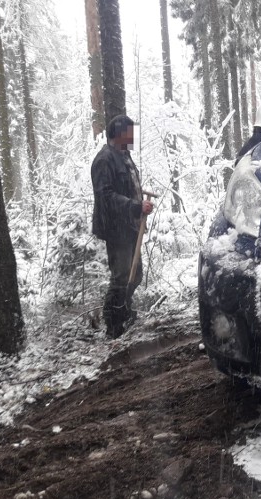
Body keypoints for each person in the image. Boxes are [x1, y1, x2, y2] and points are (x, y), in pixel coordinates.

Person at [91, 115, 154, 338]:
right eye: (129, 134)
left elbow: (128, 186)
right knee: (121, 276)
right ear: (118, 135)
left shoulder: (124, 156)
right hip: (116, 228)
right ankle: (112, 323)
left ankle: (124, 311)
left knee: (135, 274)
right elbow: (105, 196)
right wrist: (135, 206)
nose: (133, 138)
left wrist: (139, 204)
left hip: (130, 226)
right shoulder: (104, 160)